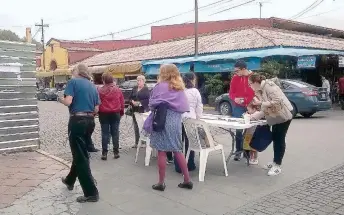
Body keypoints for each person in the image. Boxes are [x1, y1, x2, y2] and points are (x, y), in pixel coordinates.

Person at [143, 64, 193, 191]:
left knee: (161, 150)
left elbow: (151, 104)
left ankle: (161, 183)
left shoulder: (160, 86)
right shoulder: (179, 88)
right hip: (175, 121)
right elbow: (184, 107)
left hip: (161, 119)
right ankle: (187, 180)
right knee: (177, 149)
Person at [58, 64, 99, 203]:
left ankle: (91, 193)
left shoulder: (73, 82)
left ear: (77, 71)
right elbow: (96, 108)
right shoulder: (92, 85)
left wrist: (60, 99)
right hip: (90, 121)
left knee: (80, 156)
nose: (71, 73)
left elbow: (68, 101)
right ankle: (70, 180)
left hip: (77, 120)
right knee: (80, 152)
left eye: (73, 71)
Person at [248, 74, 293, 176]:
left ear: (255, 82)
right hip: (275, 116)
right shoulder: (259, 90)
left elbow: (277, 101)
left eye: (250, 84)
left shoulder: (268, 86)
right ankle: (274, 162)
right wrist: (253, 117)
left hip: (284, 114)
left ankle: (277, 165)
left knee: (279, 139)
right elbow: (264, 109)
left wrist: (261, 104)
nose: (250, 86)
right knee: (276, 138)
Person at [174, 72, 203, 173]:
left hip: (179, 119)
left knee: (178, 143)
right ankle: (190, 164)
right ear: (193, 79)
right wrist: (198, 119)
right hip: (190, 119)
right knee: (190, 143)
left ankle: (178, 166)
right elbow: (199, 107)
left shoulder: (179, 91)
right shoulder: (195, 91)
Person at [229, 60, 255, 161]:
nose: (235, 73)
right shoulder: (235, 78)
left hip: (251, 105)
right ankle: (238, 150)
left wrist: (248, 101)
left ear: (244, 69)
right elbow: (231, 92)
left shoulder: (253, 77)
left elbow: (256, 91)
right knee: (238, 129)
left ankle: (247, 151)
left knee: (250, 129)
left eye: (237, 71)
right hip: (238, 106)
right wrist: (235, 98)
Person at [98, 72, 125, 161]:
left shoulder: (100, 90)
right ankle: (116, 152)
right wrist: (121, 112)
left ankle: (104, 153)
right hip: (115, 113)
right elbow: (122, 102)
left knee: (105, 133)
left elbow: (97, 102)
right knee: (115, 132)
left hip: (103, 113)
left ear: (104, 80)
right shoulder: (117, 90)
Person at [129, 75, 150, 148]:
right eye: (137, 80)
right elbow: (130, 97)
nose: (138, 82)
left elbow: (148, 100)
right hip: (134, 111)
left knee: (143, 126)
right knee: (136, 126)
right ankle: (137, 142)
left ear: (144, 81)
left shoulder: (146, 89)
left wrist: (140, 103)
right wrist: (132, 102)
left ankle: (144, 142)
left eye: (140, 80)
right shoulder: (134, 88)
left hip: (143, 111)